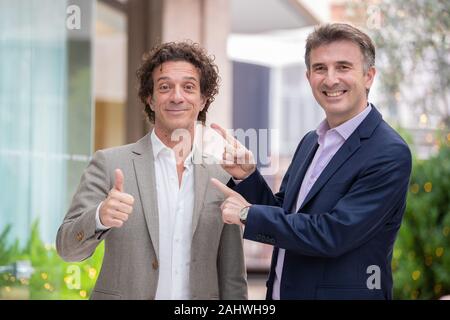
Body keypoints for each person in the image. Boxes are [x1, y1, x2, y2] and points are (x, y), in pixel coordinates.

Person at [211, 23, 412, 300]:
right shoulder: (310, 141)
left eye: (343, 67)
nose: (330, 79)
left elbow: (332, 234)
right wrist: (248, 177)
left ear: (369, 76)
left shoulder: (388, 152)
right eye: (320, 68)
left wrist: (247, 214)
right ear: (308, 77)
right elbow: (287, 214)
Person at [56, 41, 247, 300]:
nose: (177, 96)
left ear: (202, 100)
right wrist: (100, 216)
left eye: (188, 87)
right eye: (165, 86)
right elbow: (67, 248)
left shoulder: (222, 177)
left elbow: (232, 278)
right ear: (150, 98)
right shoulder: (109, 164)